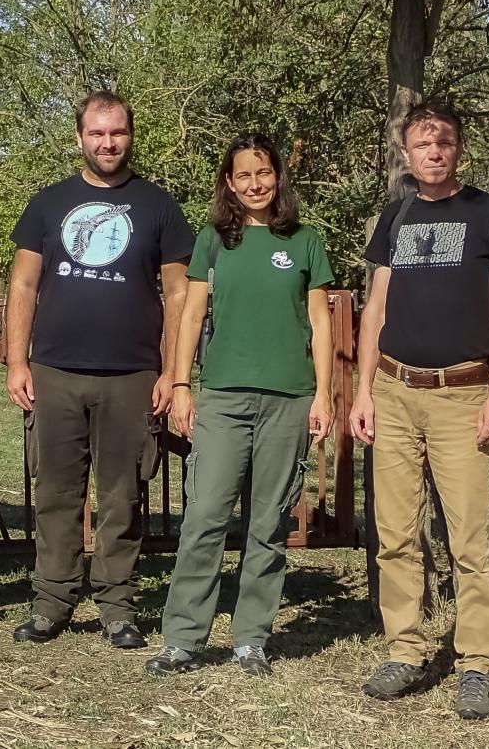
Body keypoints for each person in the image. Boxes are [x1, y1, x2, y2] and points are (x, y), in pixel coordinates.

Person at [350, 99, 489, 720]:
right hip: (395, 392)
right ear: (406, 152)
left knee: (470, 539)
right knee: (395, 534)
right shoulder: (393, 218)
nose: (433, 152)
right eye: (422, 144)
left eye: (443, 142)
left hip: (463, 396)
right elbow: (374, 309)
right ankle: (406, 649)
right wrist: (364, 391)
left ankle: (476, 663)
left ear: (458, 149)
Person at [5, 90, 192, 648]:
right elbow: (22, 284)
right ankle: (52, 602)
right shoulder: (48, 203)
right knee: (56, 494)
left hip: (133, 375)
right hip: (55, 372)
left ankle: (117, 606)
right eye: (97, 133)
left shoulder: (159, 206)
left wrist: (169, 371)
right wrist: (17, 361)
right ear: (79, 137)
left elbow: (178, 293)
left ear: (130, 136)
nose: (107, 143)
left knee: (121, 495)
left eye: (117, 133)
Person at [143, 134, 335, 677]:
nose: (255, 184)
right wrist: (181, 384)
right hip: (224, 398)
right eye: (243, 175)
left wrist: (323, 394)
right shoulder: (212, 240)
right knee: (204, 517)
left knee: (268, 523)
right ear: (229, 182)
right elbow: (191, 315)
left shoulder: (304, 241)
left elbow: (320, 323)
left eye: (264, 173)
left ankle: (251, 638)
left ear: (278, 177)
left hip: (289, 399)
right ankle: (183, 638)